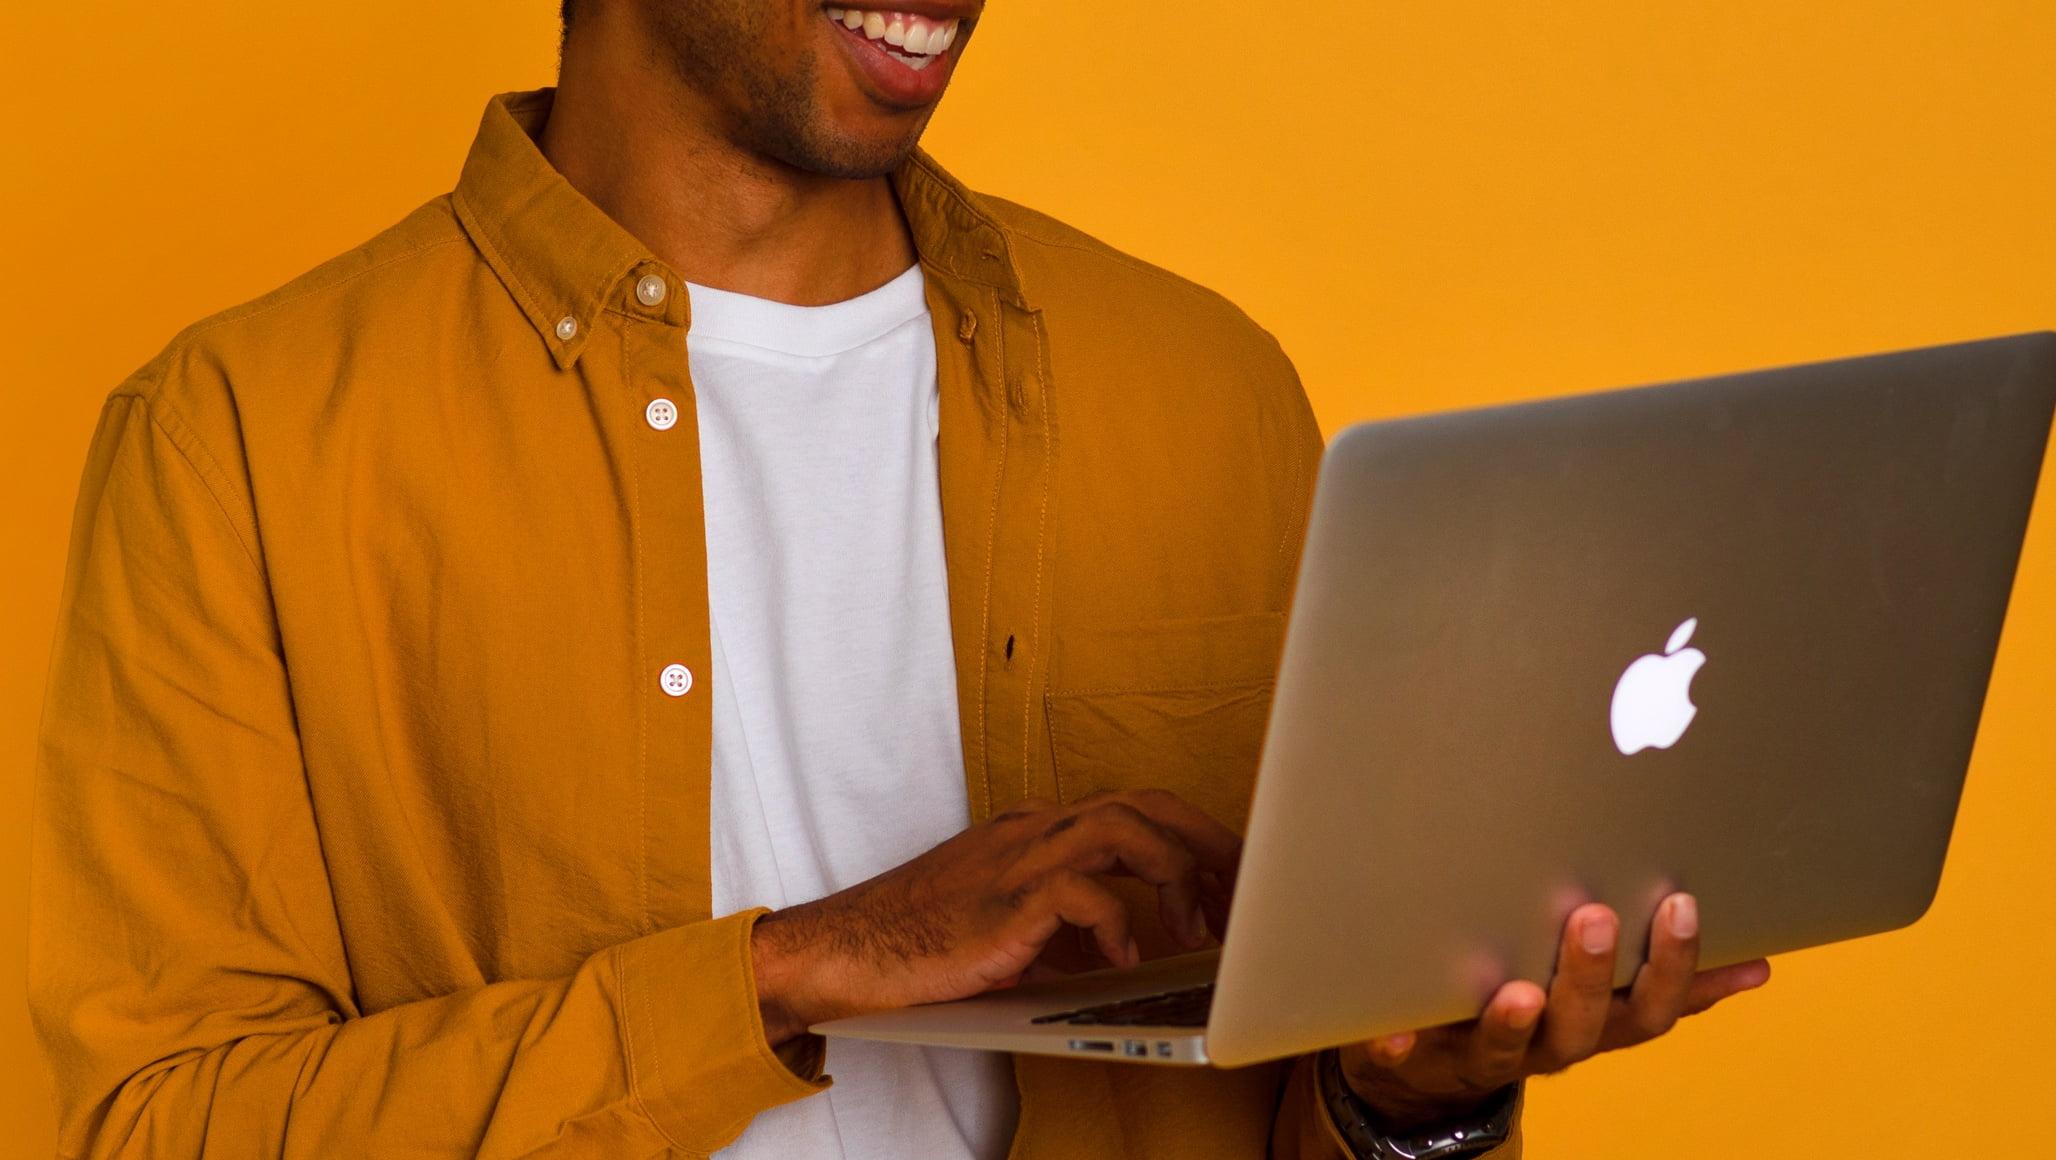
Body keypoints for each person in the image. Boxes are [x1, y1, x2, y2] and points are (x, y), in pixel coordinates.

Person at [27, 2, 1772, 1157]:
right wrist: (793, 967)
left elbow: (1285, 1101)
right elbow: (157, 1123)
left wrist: (1415, 1101)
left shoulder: (1206, 390)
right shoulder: (239, 437)